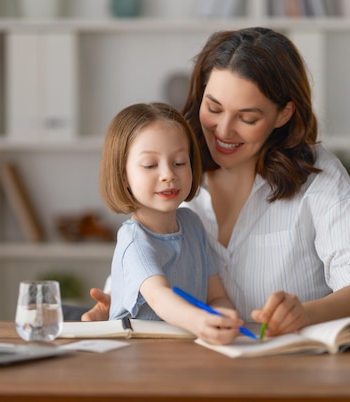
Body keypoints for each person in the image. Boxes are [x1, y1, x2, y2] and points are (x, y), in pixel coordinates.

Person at [82, 27, 350, 337]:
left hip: (291, 367)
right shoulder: (174, 168)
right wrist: (115, 304)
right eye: (213, 108)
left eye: (247, 118)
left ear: (283, 114)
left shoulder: (320, 178)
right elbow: (140, 266)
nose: (224, 130)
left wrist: (304, 314)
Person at [99, 102, 243, 345]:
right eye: (150, 165)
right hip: (139, 357)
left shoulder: (193, 224)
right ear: (124, 176)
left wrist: (223, 314)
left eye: (179, 162)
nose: (169, 175)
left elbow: (215, 295)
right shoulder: (134, 240)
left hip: (186, 351)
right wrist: (200, 322)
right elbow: (159, 298)